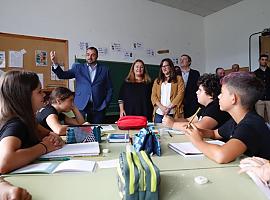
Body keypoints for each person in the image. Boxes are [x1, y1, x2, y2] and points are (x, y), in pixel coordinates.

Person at [185, 72, 270, 164]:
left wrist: (197, 141)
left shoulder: (250, 125)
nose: (218, 96)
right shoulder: (236, 120)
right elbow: (214, 133)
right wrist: (198, 132)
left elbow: (222, 156)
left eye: (222, 93)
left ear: (233, 99)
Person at [0, 70, 63, 174]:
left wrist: (53, 138)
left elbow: (48, 133)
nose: (44, 95)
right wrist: (44, 147)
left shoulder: (28, 120)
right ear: (23, 97)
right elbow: (4, 163)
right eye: (39, 92)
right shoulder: (16, 124)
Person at [50, 47, 113, 124]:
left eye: (93, 55)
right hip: (81, 105)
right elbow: (62, 75)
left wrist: (105, 103)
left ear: (97, 56)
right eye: (88, 54)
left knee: (97, 129)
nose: (90, 57)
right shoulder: (78, 68)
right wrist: (55, 63)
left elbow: (109, 88)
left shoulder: (104, 70)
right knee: (81, 129)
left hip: (99, 106)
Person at [163, 74, 231, 130]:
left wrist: (173, 124)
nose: (196, 92)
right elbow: (189, 120)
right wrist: (173, 120)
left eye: (200, 90)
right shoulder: (205, 107)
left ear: (211, 94)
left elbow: (200, 127)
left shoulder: (216, 107)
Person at [151, 58, 185, 123]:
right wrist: (162, 108)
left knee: (174, 132)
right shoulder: (157, 81)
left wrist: (169, 108)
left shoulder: (178, 79)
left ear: (171, 67)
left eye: (166, 66)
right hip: (159, 113)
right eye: (162, 66)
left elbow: (180, 94)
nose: (164, 68)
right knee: (158, 132)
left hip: (173, 113)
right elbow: (153, 96)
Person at [254, 54, 270, 122]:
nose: (264, 61)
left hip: (269, 99)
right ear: (259, 61)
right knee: (260, 120)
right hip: (259, 99)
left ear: (268, 61)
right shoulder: (255, 73)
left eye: (266, 60)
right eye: (262, 59)